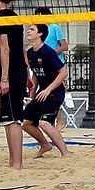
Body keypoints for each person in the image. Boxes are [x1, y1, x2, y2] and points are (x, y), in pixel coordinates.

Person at [0, 0, 34, 169]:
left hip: (11, 72)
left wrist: (4, 78)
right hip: (19, 70)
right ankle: (13, 161)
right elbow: (22, 48)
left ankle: (17, 163)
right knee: (9, 118)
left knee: (14, 118)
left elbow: (6, 49)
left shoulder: (0, 19)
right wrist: (27, 72)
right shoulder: (16, 18)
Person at [20, 21, 70, 158]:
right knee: (25, 123)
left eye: (31, 29)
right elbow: (36, 74)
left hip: (55, 91)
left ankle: (65, 153)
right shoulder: (31, 53)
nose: (28, 32)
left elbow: (63, 73)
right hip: (41, 92)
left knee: (44, 123)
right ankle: (45, 145)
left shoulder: (48, 52)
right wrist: (32, 94)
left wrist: (48, 89)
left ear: (40, 34)